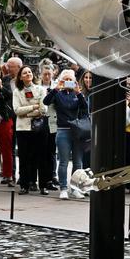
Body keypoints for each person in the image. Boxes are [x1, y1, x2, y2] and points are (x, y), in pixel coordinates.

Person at [44, 70, 88, 200]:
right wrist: (56, 88)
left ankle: (75, 189)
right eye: (65, 79)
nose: (68, 82)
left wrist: (78, 93)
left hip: (77, 130)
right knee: (63, 161)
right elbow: (46, 102)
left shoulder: (77, 94)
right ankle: (63, 188)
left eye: (71, 80)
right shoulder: (58, 93)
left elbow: (85, 108)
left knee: (78, 162)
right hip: (63, 129)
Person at [12, 66, 50, 195]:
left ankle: (43, 185)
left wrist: (27, 112)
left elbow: (44, 109)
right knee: (24, 157)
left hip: (39, 128)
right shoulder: (17, 91)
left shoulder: (41, 89)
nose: (28, 74)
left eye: (29, 72)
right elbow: (17, 110)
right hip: (23, 129)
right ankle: (24, 185)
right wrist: (33, 107)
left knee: (41, 157)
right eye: (24, 73)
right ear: (20, 77)